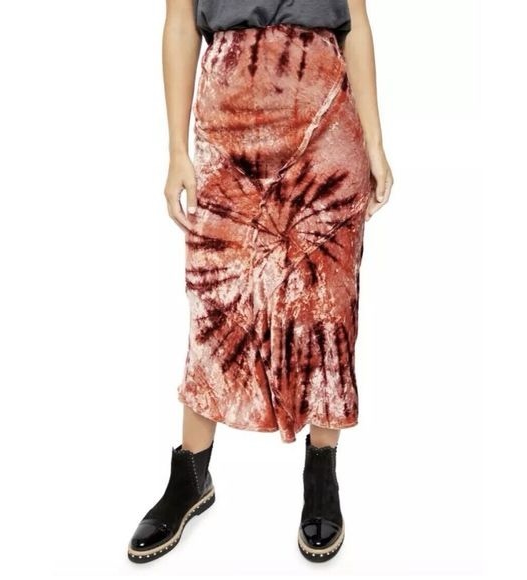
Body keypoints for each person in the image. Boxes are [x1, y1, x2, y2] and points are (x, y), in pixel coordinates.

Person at [127, 0, 394, 564]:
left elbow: (357, 23)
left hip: (325, 120)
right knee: (216, 305)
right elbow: (180, 24)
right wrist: (176, 150)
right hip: (227, 124)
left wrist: (374, 141)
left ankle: (321, 474)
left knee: (326, 305)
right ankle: (191, 475)